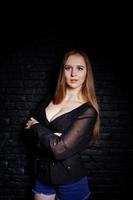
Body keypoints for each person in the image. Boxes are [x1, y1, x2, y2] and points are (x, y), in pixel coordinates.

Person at [25, 50, 100, 200]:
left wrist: (37, 127)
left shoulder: (88, 111)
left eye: (80, 68)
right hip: (42, 176)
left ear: (87, 73)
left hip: (70, 180)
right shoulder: (49, 99)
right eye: (68, 68)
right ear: (62, 71)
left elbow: (59, 150)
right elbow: (27, 133)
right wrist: (54, 139)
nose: (73, 73)